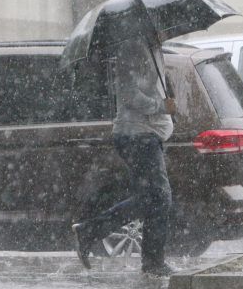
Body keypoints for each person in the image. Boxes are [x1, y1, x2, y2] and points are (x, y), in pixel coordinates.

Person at [71, 36, 177, 276]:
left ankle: (150, 262)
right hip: (137, 135)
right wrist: (161, 106)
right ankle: (152, 263)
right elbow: (130, 95)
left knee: (153, 198)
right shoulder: (132, 49)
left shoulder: (153, 47)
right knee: (159, 197)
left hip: (149, 135)